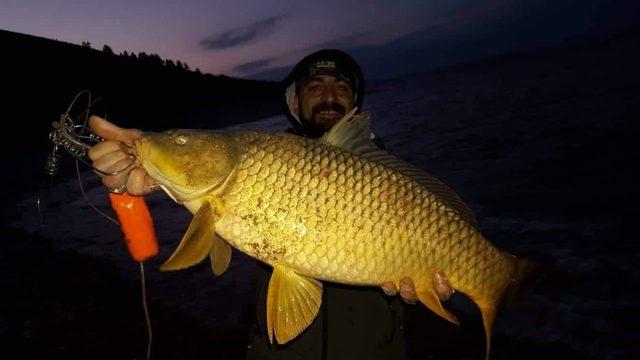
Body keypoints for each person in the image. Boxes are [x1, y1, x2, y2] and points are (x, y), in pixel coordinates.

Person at [88, 49, 453, 359]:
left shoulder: (393, 183)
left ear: (353, 105)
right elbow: (209, 232)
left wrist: (429, 283)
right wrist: (142, 171)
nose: (329, 96)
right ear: (294, 102)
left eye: (341, 88)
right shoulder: (260, 156)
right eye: (316, 87)